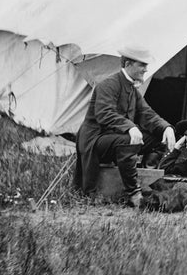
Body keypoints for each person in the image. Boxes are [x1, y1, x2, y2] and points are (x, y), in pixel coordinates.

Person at [73, 46, 176, 207]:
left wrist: (166, 128)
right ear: (128, 64)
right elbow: (104, 113)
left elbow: (147, 114)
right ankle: (133, 193)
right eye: (142, 65)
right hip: (95, 140)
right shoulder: (108, 84)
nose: (146, 69)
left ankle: (147, 184)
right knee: (129, 140)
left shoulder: (132, 89)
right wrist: (130, 127)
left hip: (115, 138)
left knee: (158, 139)